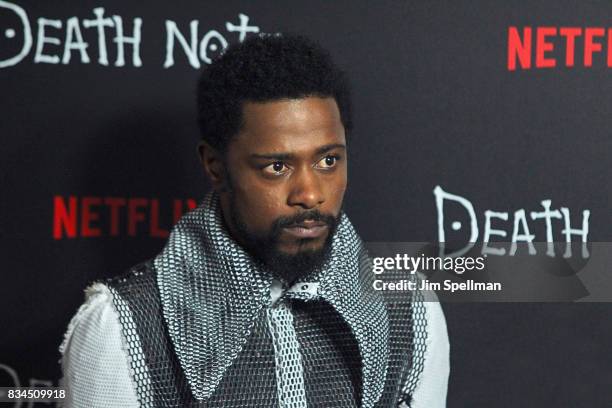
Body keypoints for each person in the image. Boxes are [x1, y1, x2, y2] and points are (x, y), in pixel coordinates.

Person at [59, 33, 449, 408]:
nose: (310, 194)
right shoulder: (121, 328)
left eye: (328, 160)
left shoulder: (410, 309)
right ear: (215, 166)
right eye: (276, 166)